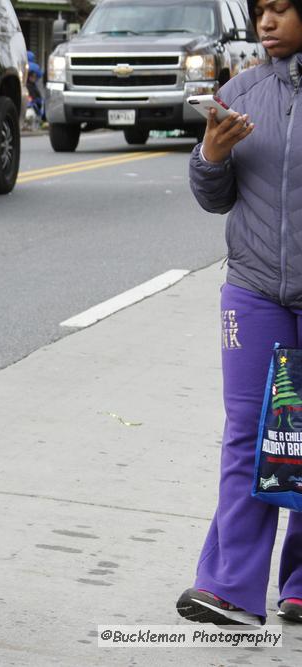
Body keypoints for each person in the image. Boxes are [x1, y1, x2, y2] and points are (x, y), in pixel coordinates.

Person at [180, 0, 302, 628]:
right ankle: (231, 587)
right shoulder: (241, 91)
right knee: (247, 433)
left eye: (282, 9)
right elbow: (212, 197)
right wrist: (212, 154)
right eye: (261, 10)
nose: (266, 22)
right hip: (253, 289)